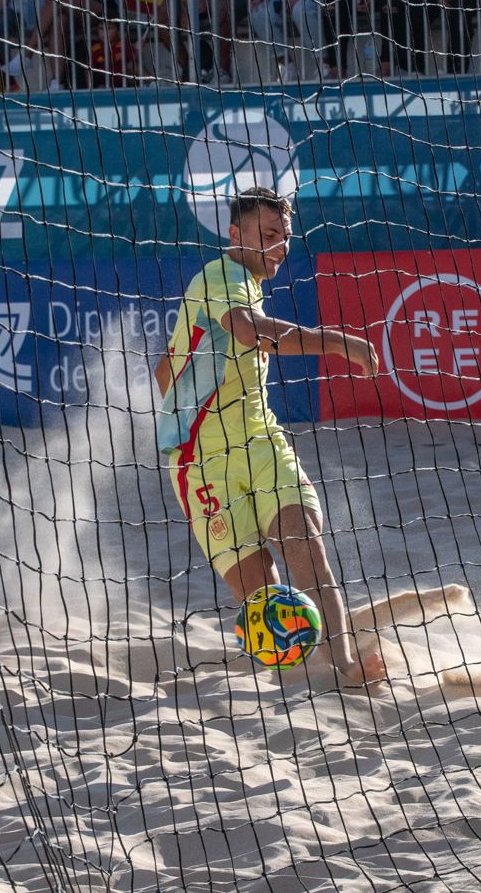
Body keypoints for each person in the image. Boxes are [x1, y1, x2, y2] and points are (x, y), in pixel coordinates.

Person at [154, 188, 386, 689]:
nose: (279, 246)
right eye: (268, 235)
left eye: (284, 236)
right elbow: (248, 331)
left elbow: (163, 371)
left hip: (262, 442)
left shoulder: (243, 286)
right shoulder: (218, 277)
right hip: (202, 463)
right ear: (234, 234)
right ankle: (306, 667)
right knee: (265, 599)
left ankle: (346, 665)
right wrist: (338, 343)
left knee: (304, 544)